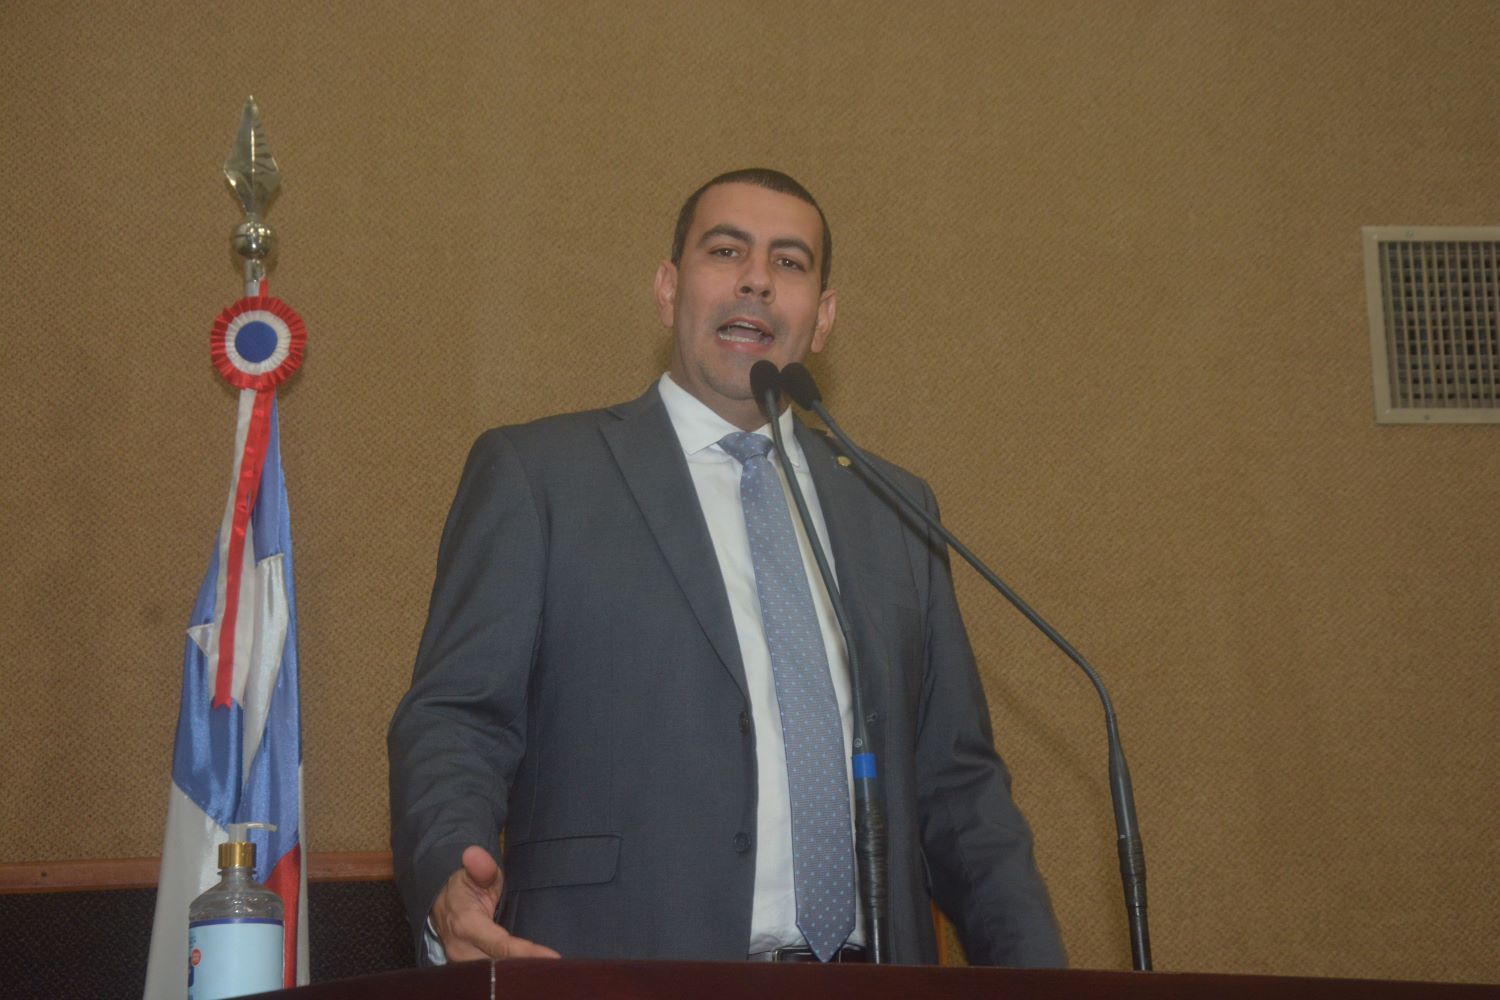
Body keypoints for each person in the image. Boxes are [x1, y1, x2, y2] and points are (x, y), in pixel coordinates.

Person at [387, 168, 1065, 967]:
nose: (756, 280)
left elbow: (959, 789)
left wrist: (1039, 981)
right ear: (668, 289)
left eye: (789, 262)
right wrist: (449, 869)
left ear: (822, 317)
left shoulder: (893, 509)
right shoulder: (541, 476)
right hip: (619, 973)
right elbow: (458, 717)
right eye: (725, 251)